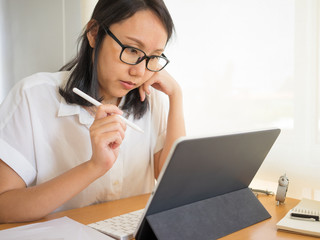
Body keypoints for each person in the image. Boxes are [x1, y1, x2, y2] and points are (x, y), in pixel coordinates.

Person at [0, 0, 185, 223]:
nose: (139, 71)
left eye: (153, 57)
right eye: (132, 50)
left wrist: (176, 97)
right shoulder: (31, 97)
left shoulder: (152, 99)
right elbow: (4, 206)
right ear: (94, 33)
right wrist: (93, 167)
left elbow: (175, 188)